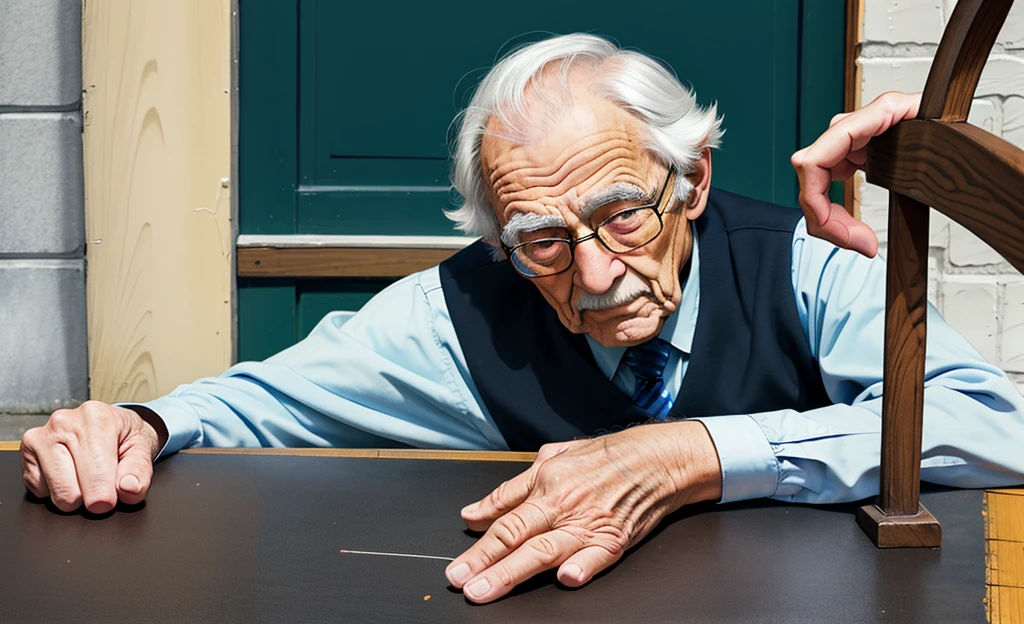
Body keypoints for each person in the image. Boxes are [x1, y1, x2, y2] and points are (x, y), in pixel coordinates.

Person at [19, 34, 1024, 604]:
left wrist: (700, 453)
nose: (593, 271)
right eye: (542, 238)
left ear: (695, 180)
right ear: (503, 239)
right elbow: (250, 406)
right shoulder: (459, 315)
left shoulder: (808, 267)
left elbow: (991, 427)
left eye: (624, 214)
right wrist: (134, 427)